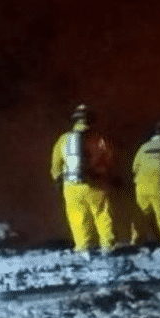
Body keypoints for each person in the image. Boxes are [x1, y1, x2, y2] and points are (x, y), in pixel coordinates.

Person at [49, 104, 116, 253]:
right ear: (90, 120)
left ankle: (83, 248)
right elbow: (109, 160)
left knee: (77, 217)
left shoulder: (64, 139)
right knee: (102, 215)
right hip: (96, 184)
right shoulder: (99, 139)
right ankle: (108, 247)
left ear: (74, 121)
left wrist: (57, 179)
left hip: (71, 185)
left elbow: (55, 165)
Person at [131, 120, 160, 247]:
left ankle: (136, 242)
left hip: (141, 185)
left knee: (140, 216)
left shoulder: (144, 147)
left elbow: (135, 167)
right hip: (158, 185)